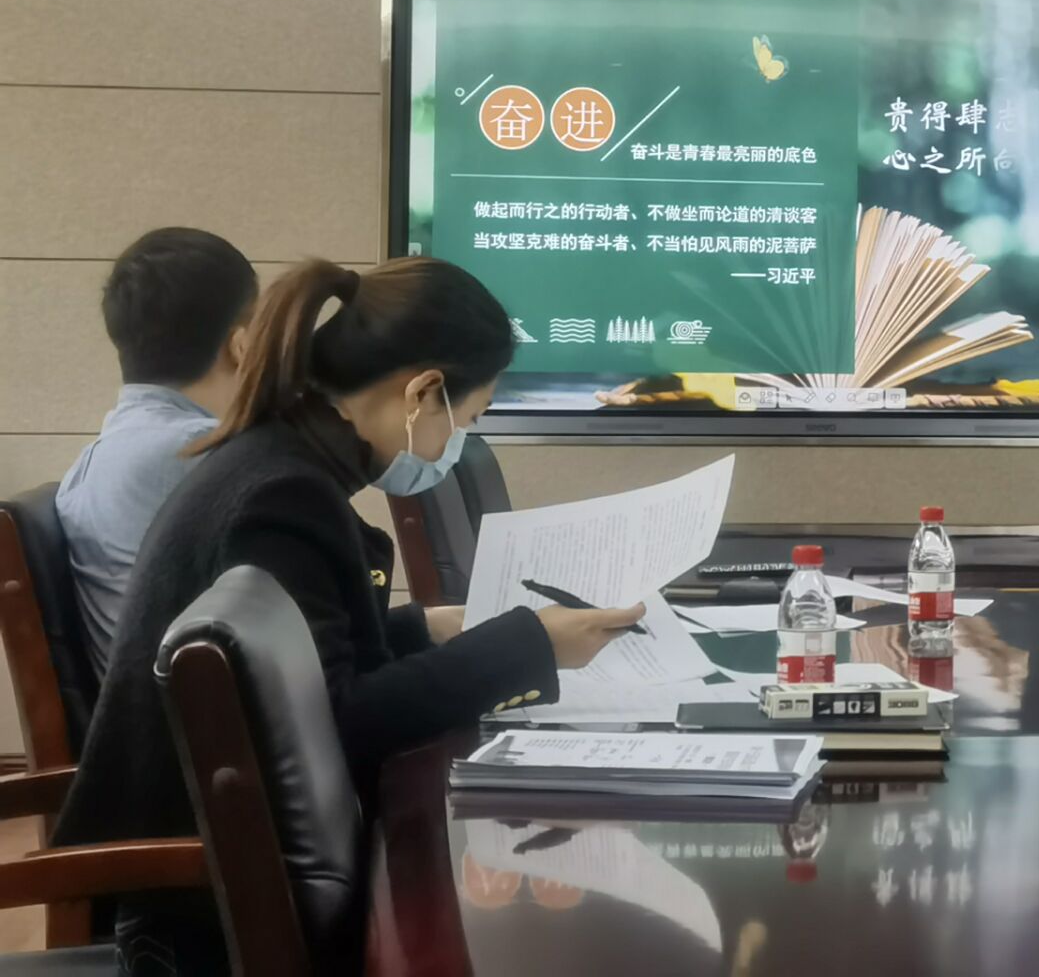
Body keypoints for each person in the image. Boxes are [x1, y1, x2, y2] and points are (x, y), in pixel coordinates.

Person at [55, 257, 647, 974]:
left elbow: (300, 670)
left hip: (213, 870)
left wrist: (424, 627)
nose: (456, 444)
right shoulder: (283, 494)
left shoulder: (275, 461)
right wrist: (531, 645)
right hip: (201, 911)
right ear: (422, 392)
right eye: (468, 418)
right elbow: (339, 719)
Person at [57, 227, 259, 675]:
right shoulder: (206, 454)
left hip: (155, 704)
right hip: (208, 712)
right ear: (242, 346)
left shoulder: (95, 458)